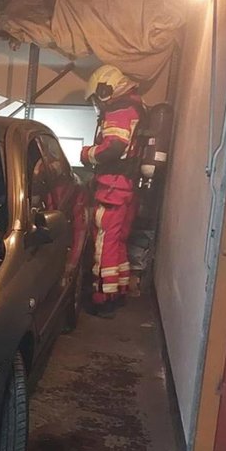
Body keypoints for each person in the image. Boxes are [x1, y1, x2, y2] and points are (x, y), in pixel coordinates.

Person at [80, 64, 144, 314]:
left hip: (112, 188)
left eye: (97, 98)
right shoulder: (136, 107)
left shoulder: (119, 111)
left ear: (105, 90)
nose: (97, 103)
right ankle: (118, 291)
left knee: (103, 242)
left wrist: (87, 154)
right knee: (117, 241)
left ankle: (102, 298)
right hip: (126, 187)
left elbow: (114, 147)